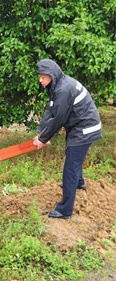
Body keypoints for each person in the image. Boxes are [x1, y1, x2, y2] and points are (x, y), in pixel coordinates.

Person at [33, 59, 102, 219]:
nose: (40, 80)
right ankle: (79, 183)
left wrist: (43, 139)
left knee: (70, 166)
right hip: (79, 125)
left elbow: (58, 119)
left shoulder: (64, 89)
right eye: (39, 76)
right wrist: (41, 133)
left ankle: (64, 211)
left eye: (43, 77)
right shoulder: (57, 85)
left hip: (85, 128)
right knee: (73, 156)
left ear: (52, 75)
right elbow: (51, 110)